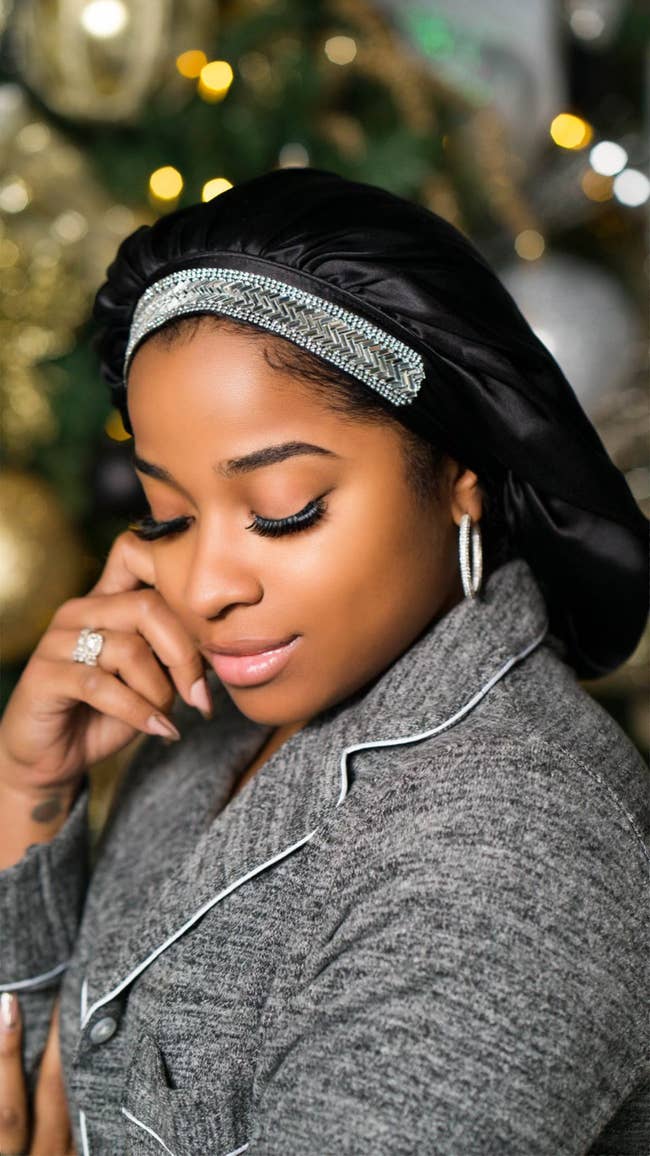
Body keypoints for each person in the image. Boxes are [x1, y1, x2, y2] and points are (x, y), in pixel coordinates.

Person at [0, 166, 647, 1156]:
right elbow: (47, 1078)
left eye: (283, 509)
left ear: (458, 477)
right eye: (168, 514)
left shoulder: (512, 850)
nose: (204, 584)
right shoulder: (204, 719)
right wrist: (30, 788)